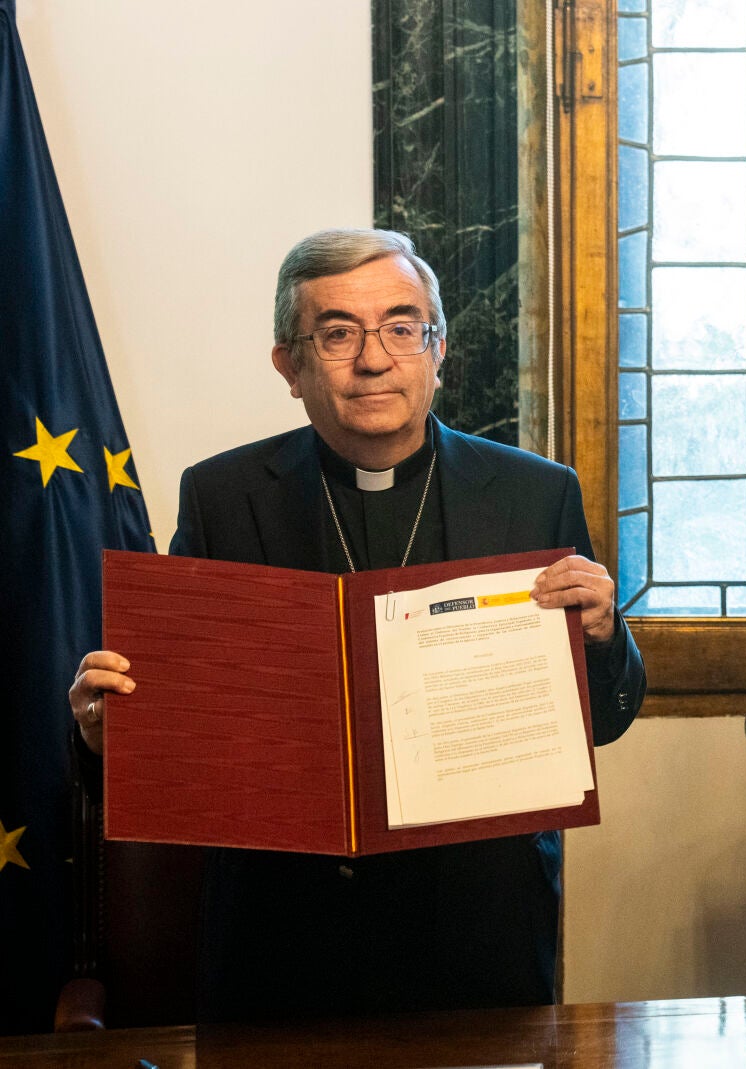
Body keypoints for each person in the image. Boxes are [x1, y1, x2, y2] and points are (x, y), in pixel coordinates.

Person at [66, 228, 644, 1018]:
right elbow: (183, 720)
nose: (375, 359)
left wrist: (605, 636)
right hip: (281, 946)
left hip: (480, 937)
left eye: (403, 327)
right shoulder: (223, 498)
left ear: (439, 350)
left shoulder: (534, 494)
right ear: (289, 366)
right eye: (338, 333)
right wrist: (109, 731)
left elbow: (603, 721)